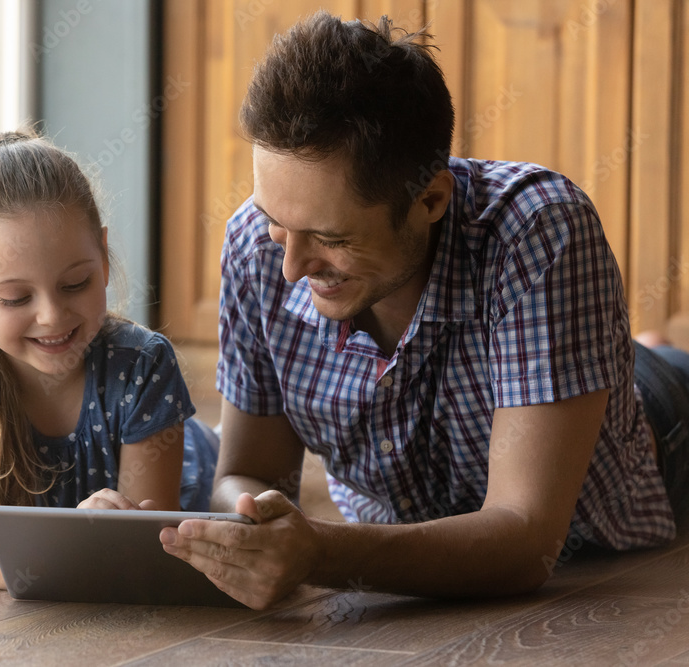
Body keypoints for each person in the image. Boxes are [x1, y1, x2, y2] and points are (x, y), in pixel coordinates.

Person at [159, 12, 689, 609]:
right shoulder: (255, 245)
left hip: (659, 433)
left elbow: (527, 541)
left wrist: (320, 553)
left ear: (430, 199)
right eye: (277, 223)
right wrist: (255, 526)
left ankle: (647, 352)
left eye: (332, 238)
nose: (290, 269)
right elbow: (245, 475)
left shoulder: (539, 230)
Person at [0, 128, 218, 589]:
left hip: (194, 465)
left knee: (229, 484)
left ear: (103, 258)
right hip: (79, 549)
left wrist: (76, 552)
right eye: (16, 298)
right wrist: (70, 550)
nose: (52, 316)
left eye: (75, 284)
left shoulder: (144, 364)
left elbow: (145, 543)